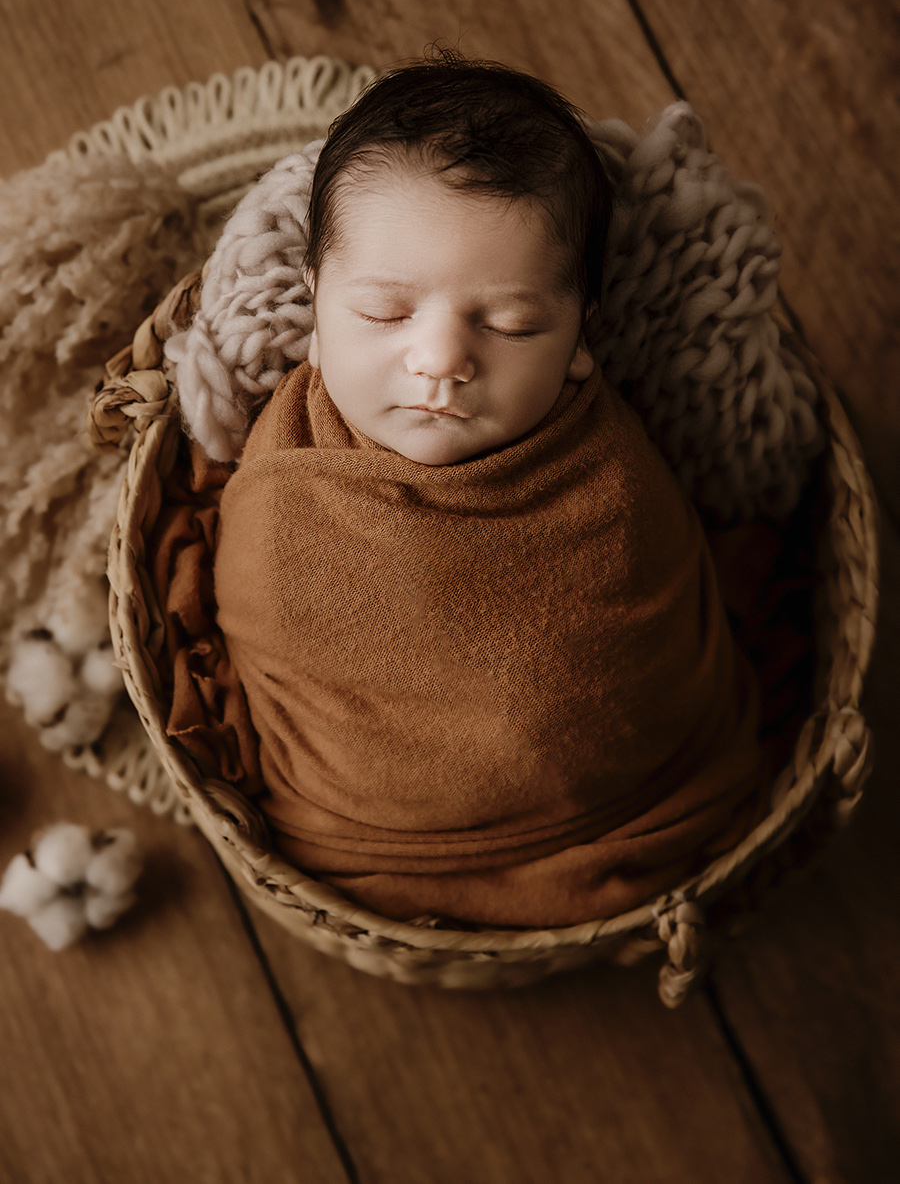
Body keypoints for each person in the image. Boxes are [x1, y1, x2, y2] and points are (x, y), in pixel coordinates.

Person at [165, 56, 767, 928]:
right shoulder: (287, 458)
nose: (441, 359)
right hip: (355, 833)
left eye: (511, 322)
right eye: (382, 313)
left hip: (613, 822)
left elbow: (638, 654)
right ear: (316, 311)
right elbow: (260, 609)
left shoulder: (612, 482)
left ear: (580, 342)